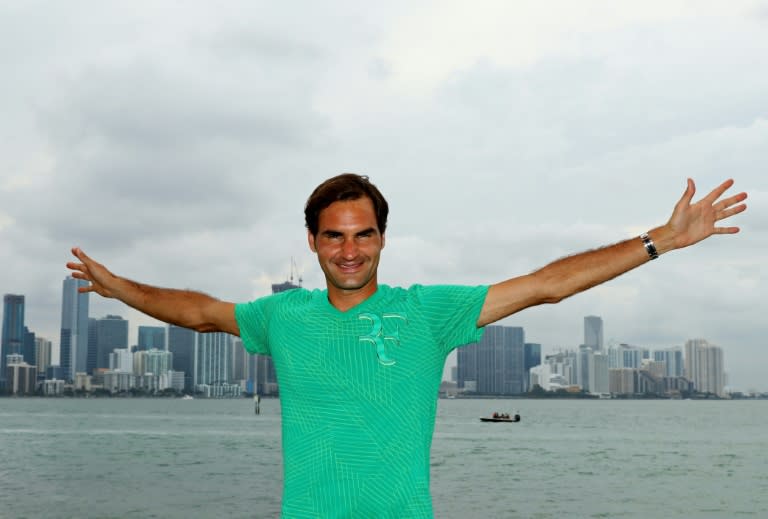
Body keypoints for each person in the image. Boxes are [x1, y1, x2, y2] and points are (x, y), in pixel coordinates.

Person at [67, 173, 747, 517]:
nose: (349, 249)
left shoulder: (429, 311)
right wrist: (121, 286)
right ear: (312, 241)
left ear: (383, 238)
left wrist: (658, 240)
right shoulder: (283, 314)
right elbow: (200, 313)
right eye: (334, 235)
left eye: (363, 233)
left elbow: (546, 285)